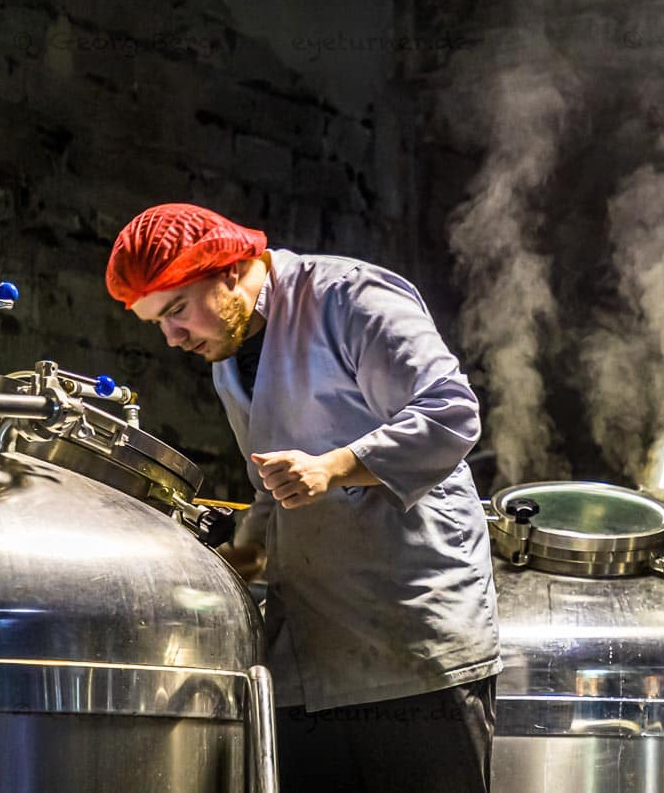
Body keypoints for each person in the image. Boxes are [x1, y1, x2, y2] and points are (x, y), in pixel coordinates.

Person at [105, 203, 501, 792]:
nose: (171, 337)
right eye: (157, 323)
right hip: (309, 660)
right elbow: (275, 481)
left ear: (230, 271)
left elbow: (450, 413)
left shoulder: (349, 298)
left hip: (415, 647)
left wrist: (335, 467)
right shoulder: (227, 357)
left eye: (178, 311)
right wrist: (244, 554)